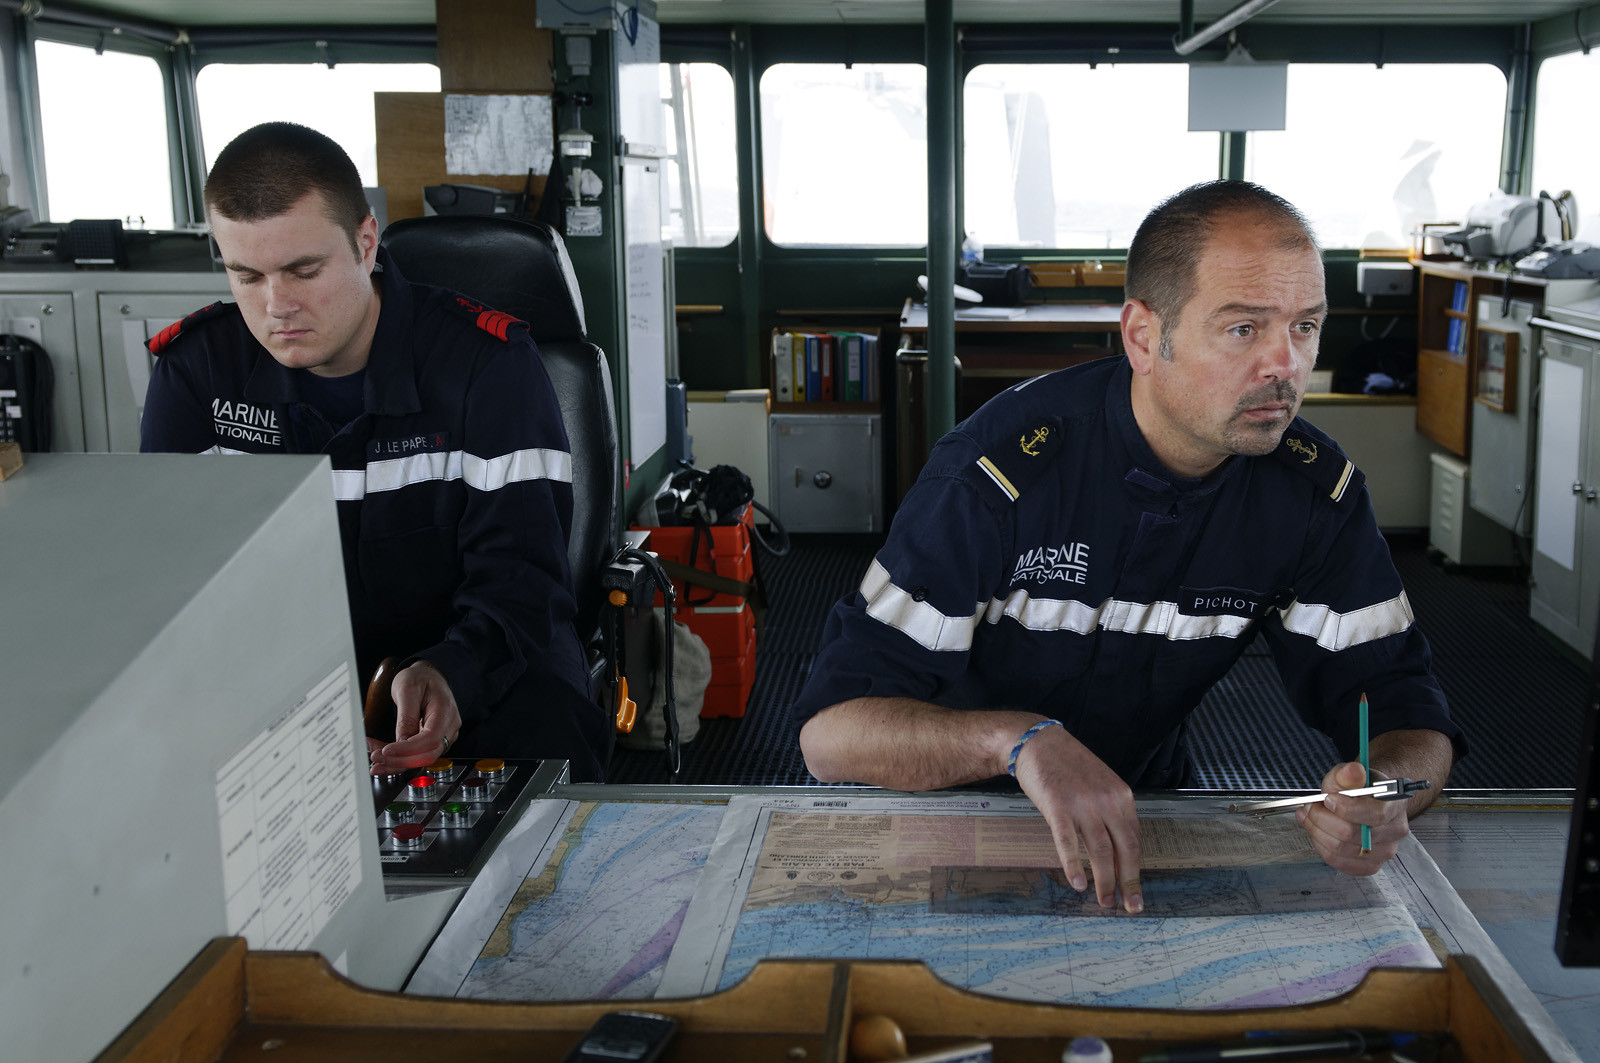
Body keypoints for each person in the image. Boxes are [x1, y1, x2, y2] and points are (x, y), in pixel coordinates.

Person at [794, 180, 1465, 913]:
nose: (1286, 365)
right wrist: (1018, 743)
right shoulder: (998, 476)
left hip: (1146, 808)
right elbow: (831, 735)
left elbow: (1407, 715)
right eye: (1244, 329)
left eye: (1305, 327)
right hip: (950, 807)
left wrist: (1388, 792)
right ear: (1145, 337)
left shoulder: (1313, 494)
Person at [141, 122, 610, 781]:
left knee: (545, 729)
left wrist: (454, 671)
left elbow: (523, 578)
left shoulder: (488, 369)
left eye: (304, 270)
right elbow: (184, 588)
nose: (277, 306)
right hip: (284, 682)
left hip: (485, 662)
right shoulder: (195, 377)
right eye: (247, 275)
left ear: (366, 244)